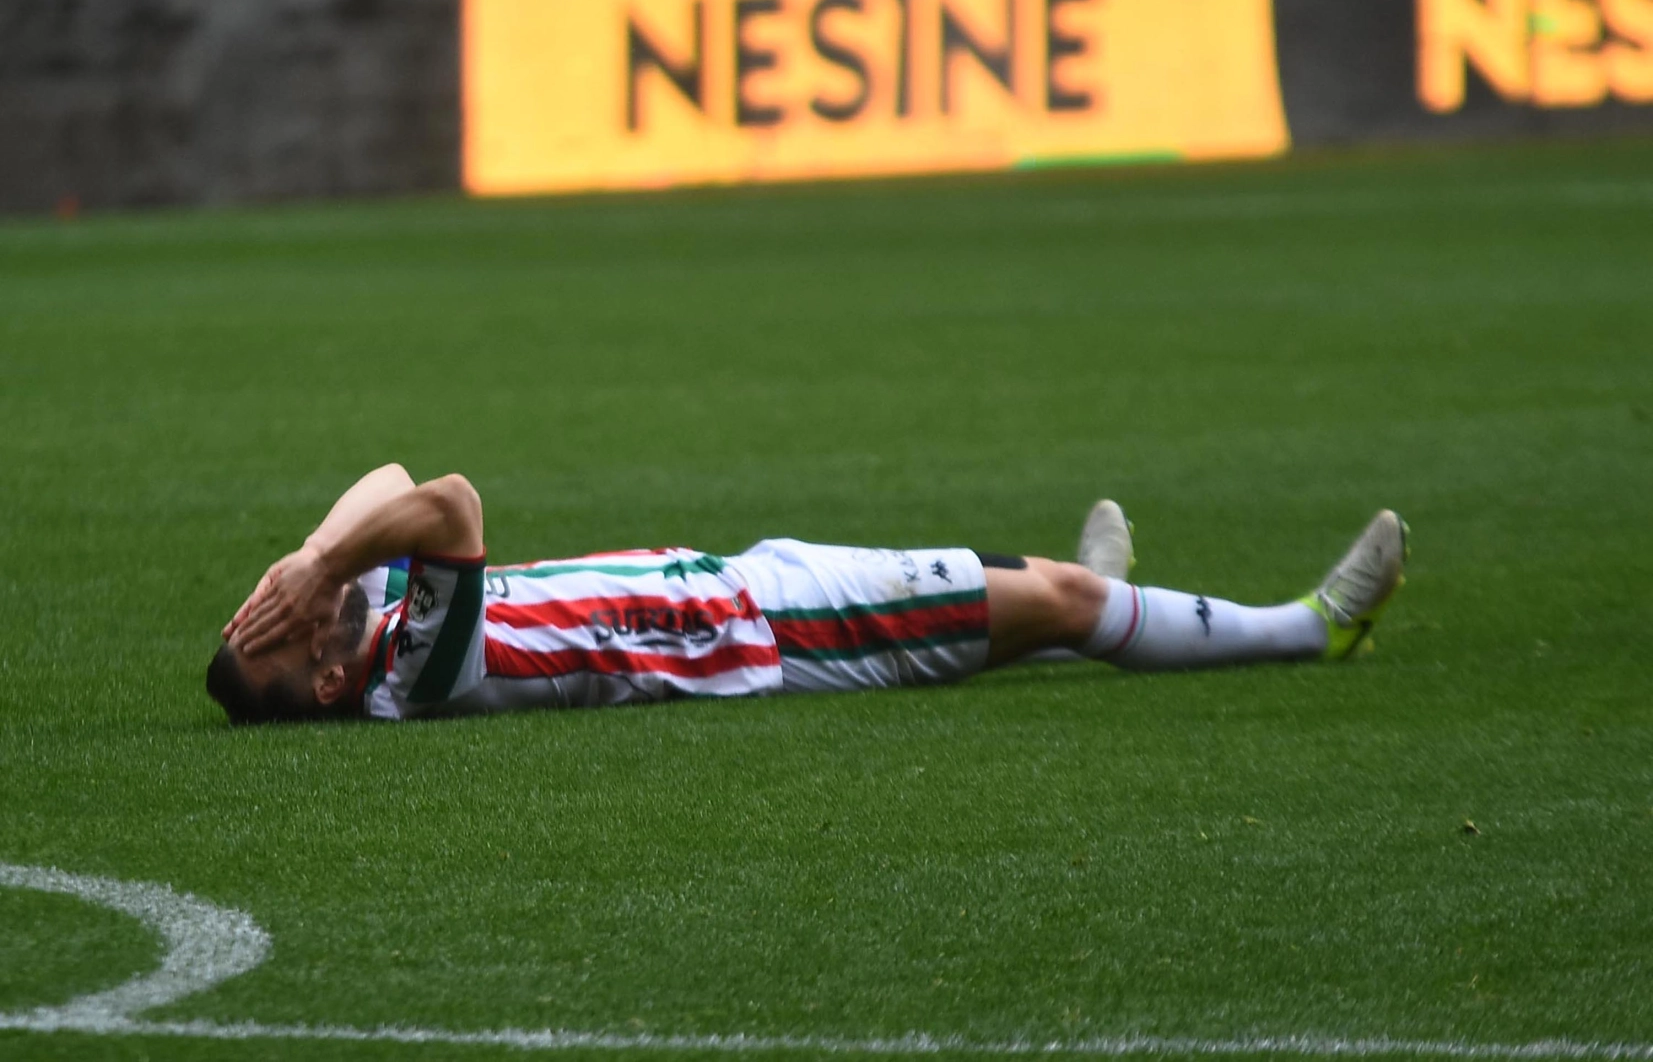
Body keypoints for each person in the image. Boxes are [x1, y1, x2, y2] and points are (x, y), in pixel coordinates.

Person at [207, 464, 1408, 724]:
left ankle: (1096, 605)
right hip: (770, 629)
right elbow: (449, 501)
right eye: (290, 636)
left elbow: (388, 481)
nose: (302, 608)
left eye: (275, 608)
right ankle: (1311, 630)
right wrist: (320, 566)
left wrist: (313, 552)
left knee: (1029, 603)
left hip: (746, 587)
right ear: (330, 681)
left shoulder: (380, 621)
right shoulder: (418, 672)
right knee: (1056, 598)